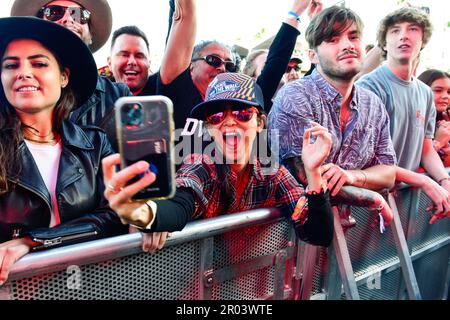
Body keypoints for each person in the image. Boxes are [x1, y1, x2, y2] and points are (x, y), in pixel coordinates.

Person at [102, 73, 334, 252]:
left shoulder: (270, 171)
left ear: (260, 123)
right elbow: (180, 203)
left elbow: (318, 234)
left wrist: (314, 174)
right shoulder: (202, 164)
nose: (229, 123)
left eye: (243, 113)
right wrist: (143, 213)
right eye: (216, 117)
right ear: (209, 129)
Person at [0, 17, 126, 285]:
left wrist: (32, 241)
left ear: (63, 77)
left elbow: (114, 215)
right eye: (11, 65)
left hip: (90, 284)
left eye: (38, 63)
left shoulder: (94, 144)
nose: (23, 72)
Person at [268, 6, 396, 224]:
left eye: (353, 37)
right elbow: (306, 177)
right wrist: (373, 197)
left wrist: (353, 175)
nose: (347, 45)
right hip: (292, 236)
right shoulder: (295, 96)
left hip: (351, 240)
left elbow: (388, 174)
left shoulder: (373, 103)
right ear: (312, 56)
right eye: (333, 39)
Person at [357, 7, 450, 224]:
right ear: (384, 42)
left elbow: (425, 148)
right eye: (395, 31)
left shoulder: (424, 92)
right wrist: (424, 182)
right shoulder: (369, 87)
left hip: (403, 202)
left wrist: (444, 180)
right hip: (368, 203)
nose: (404, 36)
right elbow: (366, 158)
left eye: (413, 29)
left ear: (423, 40)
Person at [11, 0, 133, 151]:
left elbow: (139, 158)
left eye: (78, 15)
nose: (68, 19)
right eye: (54, 12)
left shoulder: (119, 96)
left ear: (91, 34)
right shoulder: (11, 91)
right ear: (37, 28)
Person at [108, 25, 157, 97]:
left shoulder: (163, 91)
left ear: (149, 63)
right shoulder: (93, 96)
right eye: (124, 55)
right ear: (110, 63)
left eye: (139, 56)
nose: (132, 61)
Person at [418, 69, 450, 167]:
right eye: (438, 90)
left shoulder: (446, 119)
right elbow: (407, 161)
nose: (446, 96)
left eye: (449, 92)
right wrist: (438, 142)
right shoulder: (414, 120)